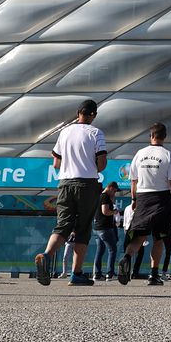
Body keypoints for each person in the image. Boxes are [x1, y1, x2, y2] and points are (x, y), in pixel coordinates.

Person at [35, 98, 108, 287]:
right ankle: (76, 274)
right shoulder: (96, 133)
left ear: (78, 113)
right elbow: (102, 163)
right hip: (87, 184)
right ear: (93, 115)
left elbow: (56, 163)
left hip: (65, 183)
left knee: (63, 225)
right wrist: (91, 167)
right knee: (83, 228)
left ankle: (46, 255)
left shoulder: (65, 132)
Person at [119, 121, 171, 288]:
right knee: (159, 238)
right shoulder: (168, 154)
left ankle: (127, 257)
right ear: (164, 137)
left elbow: (133, 180)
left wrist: (133, 200)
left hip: (143, 197)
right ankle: (154, 275)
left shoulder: (139, 154)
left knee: (139, 235)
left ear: (151, 136)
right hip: (161, 198)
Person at [92, 183, 121, 280]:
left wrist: (112, 199)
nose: (115, 193)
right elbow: (105, 211)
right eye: (115, 191)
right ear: (111, 188)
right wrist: (114, 212)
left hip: (97, 228)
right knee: (112, 250)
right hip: (104, 228)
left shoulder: (99, 196)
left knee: (99, 251)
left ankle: (97, 274)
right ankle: (110, 273)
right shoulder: (104, 197)